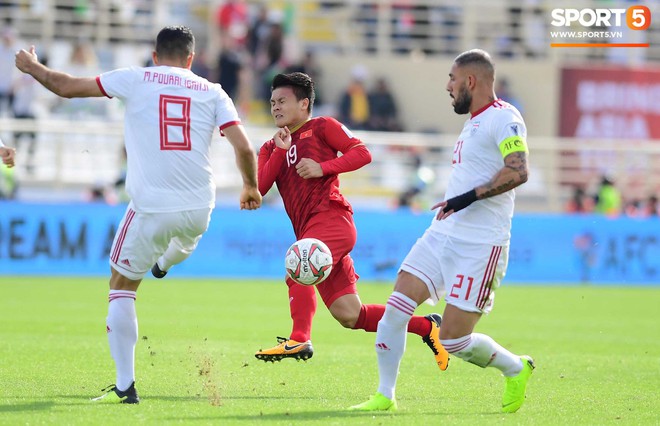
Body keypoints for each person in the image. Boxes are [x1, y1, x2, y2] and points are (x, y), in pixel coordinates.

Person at [15, 25, 262, 404]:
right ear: (191, 59)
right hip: (201, 206)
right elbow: (244, 147)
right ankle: (166, 262)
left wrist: (33, 67)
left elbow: (66, 87)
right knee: (184, 237)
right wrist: (250, 185)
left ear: (155, 55)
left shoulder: (136, 78)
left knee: (121, 285)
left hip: (152, 207)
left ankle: (125, 386)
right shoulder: (213, 91)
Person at [350, 49, 534, 413]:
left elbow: (519, 171)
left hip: (481, 244)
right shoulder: (472, 123)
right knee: (395, 309)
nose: (447, 86)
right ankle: (384, 395)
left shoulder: (506, 118)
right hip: (442, 234)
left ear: (470, 81)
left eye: (452, 78)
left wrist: (466, 198)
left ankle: (515, 367)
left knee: (453, 341)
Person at [254, 72, 448, 373]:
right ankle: (427, 327)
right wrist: (280, 151)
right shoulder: (271, 147)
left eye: (282, 101)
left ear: (304, 104)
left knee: (299, 263)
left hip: (332, 220)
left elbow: (362, 153)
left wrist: (323, 167)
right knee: (350, 315)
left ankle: (299, 338)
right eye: (272, 102)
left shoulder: (322, 127)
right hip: (311, 232)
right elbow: (261, 186)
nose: (275, 107)